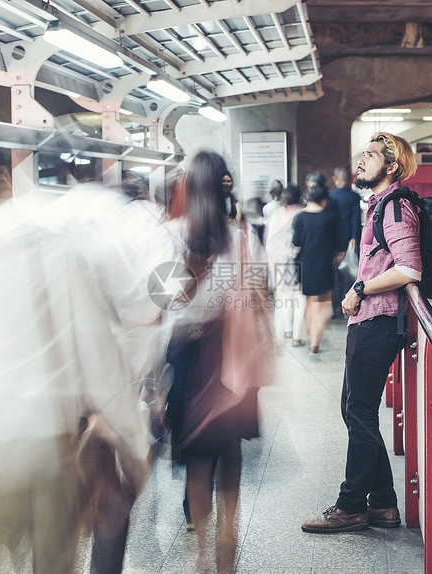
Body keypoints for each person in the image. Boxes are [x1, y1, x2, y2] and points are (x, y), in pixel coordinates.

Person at [301, 132, 420, 533]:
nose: (362, 160)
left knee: (358, 412)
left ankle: (352, 506)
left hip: (379, 319)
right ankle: (383, 504)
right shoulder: (379, 204)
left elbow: (409, 268)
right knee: (356, 410)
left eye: (371, 155)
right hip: (368, 319)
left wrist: (359, 289)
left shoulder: (397, 206)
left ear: (392, 166)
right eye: (363, 154)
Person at [166, 151, 268, 574]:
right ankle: (228, 538)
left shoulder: (173, 234)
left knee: (198, 457)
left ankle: (201, 555)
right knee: (230, 451)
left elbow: (166, 303)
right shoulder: (241, 235)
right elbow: (260, 286)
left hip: (193, 352)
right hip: (236, 353)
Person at [291, 172, 345, 355]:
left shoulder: (299, 218)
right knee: (323, 304)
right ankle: (315, 341)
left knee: (308, 302)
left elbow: (296, 242)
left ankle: (310, 332)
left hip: (306, 265)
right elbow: (339, 242)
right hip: (325, 265)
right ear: (324, 200)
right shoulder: (329, 217)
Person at [265, 184, 306, 346]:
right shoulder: (303, 213)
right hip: (301, 262)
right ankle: (296, 336)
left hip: (281, 262)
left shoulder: (276, 215)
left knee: (284, 297)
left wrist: (273, 264)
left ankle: (287, 329)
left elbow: (269, 244)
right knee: (300, 297)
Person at [328, 166, 362, 319]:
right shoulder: (354, 196)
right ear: (349, 180)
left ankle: (334, 307)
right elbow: (356, 219)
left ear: (335, 180)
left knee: (333, 273)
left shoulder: (329, 196)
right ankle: (347, 305)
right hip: (349, 240)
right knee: (349, 272)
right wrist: (354, 238)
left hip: (332, 240)